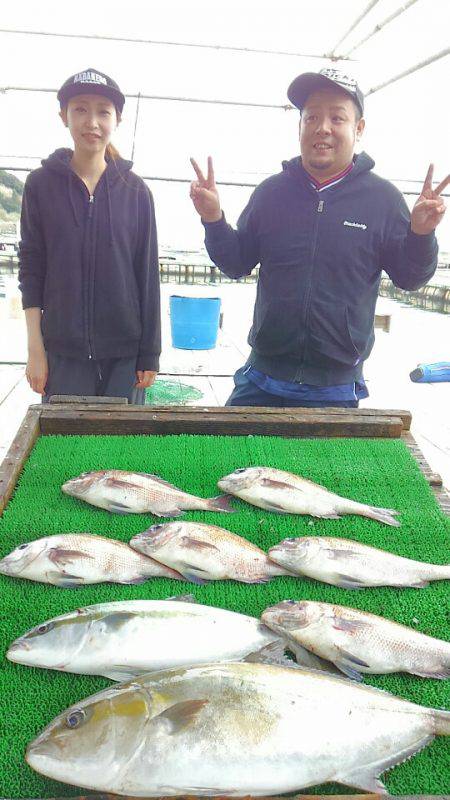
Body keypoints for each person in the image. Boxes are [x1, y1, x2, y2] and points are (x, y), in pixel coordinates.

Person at [190, 67, 449, 407]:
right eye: (311, 117)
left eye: (337, 118)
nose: (322, 128)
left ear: (359, 128)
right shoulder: (271, 193)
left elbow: (410, 278)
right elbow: (236, 263)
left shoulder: (383, 199)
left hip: (336, 387)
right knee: (222, 442)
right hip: (262, 377)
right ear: (300, 126)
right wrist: (213, 220)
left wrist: (421, 234)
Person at [19, 68, 160, 404]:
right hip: (62, 353)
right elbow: (31, 269)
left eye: (103, 112)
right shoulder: (40, 185)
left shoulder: (136, 191)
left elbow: (147, 275)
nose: (92, 122)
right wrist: (35, 349)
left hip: (125, 357)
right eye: (80, 109)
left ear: (117, 119)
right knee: (65, 437)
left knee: (122, 438)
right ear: (63, 116)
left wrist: (149, 354)